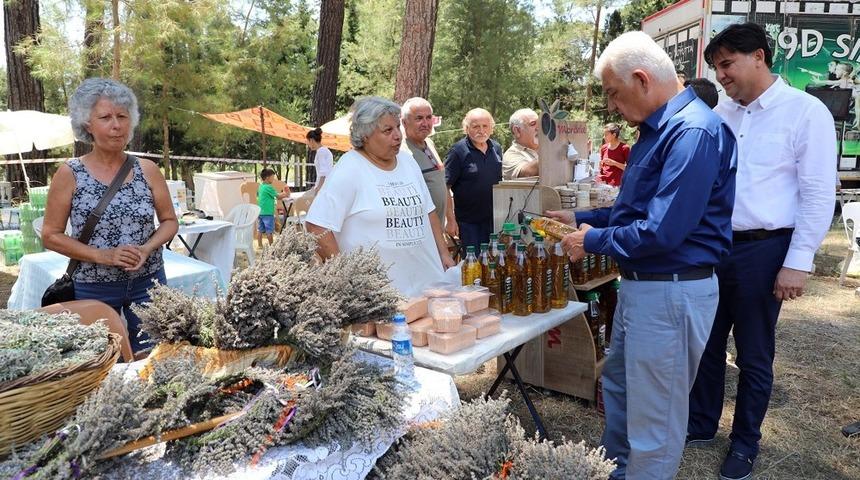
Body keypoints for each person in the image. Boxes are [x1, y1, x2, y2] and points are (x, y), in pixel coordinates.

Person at [549, 31, 737, 479]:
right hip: (646, 289)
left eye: (614, 94)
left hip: (671, 291)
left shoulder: (691, 132)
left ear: (641, 78)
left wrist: (589, 240)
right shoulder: (659, 129)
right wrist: (581, 216)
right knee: (620, 389)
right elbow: (634, 208)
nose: (612, 107)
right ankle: (615, 472)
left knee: (655, 419)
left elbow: (662, 232)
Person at [688, 23, 836, 480]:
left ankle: (746, 442)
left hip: (765, 250)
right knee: (707, 345)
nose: (722, 77)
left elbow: (817, 194)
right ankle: (701, 424)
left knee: (754, 354)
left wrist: (797, 262)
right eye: (716, 68)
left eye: (727, 64)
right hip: (714, 248)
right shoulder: (721, 115)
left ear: (759, 56)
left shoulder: (805, 112)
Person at [42, 78, 178, 354]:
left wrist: (147, 247)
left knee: (156, 356)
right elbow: (51, 236)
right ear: (86, 124)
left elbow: (169, 221)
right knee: (103, 361)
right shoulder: (70, 174)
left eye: (122, 116)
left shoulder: (148, 169)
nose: (116, 125)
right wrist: (104, 256)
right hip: (93, 288)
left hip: (149, 283)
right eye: (105, 117)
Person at [305, 97, 455, 297]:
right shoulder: (350, 168)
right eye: (388, 130)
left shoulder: (408, 162)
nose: (397, 136)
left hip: (428, 284)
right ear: (365, 135)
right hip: (380, 296)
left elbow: (429, 212)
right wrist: (344, 276)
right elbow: (317, 225)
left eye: (397, 127)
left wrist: (444, 253)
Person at [445, 108, 503, 251]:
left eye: (485, 126)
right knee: (474, 266)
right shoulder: (458, 151)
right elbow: (444, 186)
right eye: (476, 126)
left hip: (494, 220)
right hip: (469, 223)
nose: (481, 130)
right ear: (466, 128)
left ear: (491, 128)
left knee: (494, 263)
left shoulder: (496, 148)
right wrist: (451, 221)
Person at [400, 97, 447, 225]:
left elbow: (442, 183)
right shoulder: (402, 152)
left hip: (438, 227)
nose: (425, 123)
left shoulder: (430, 143)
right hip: (419, 229)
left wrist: (450, 219)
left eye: (428, 117)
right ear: (404, 122)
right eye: (419, 118)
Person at [502, 108, 540, 179]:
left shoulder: (545, 148)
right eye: (533, 124)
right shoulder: (511, 155)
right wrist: (551, 153)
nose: (539, 128)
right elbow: (527, 174)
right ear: (517, 131)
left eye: (540, 124)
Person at [257, 168, 290, 248]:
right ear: (268, 178)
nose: (274, 179)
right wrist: (286, 193)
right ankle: (272, 246)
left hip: (260, 212)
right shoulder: (269, 187)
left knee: (260, 229)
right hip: (268, 212)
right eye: (273, 177)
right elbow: (278, 196)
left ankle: (260, 245)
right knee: (269, 231)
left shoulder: (261, 187)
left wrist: (283, 193)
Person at [306, 127, 333, 193]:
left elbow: (323, 173)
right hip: (325, 185)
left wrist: (318, 188)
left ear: (311, 140)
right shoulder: (324, 150)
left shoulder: (321, 151)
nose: (308, 145)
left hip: (323, 187)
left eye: (308, 142)